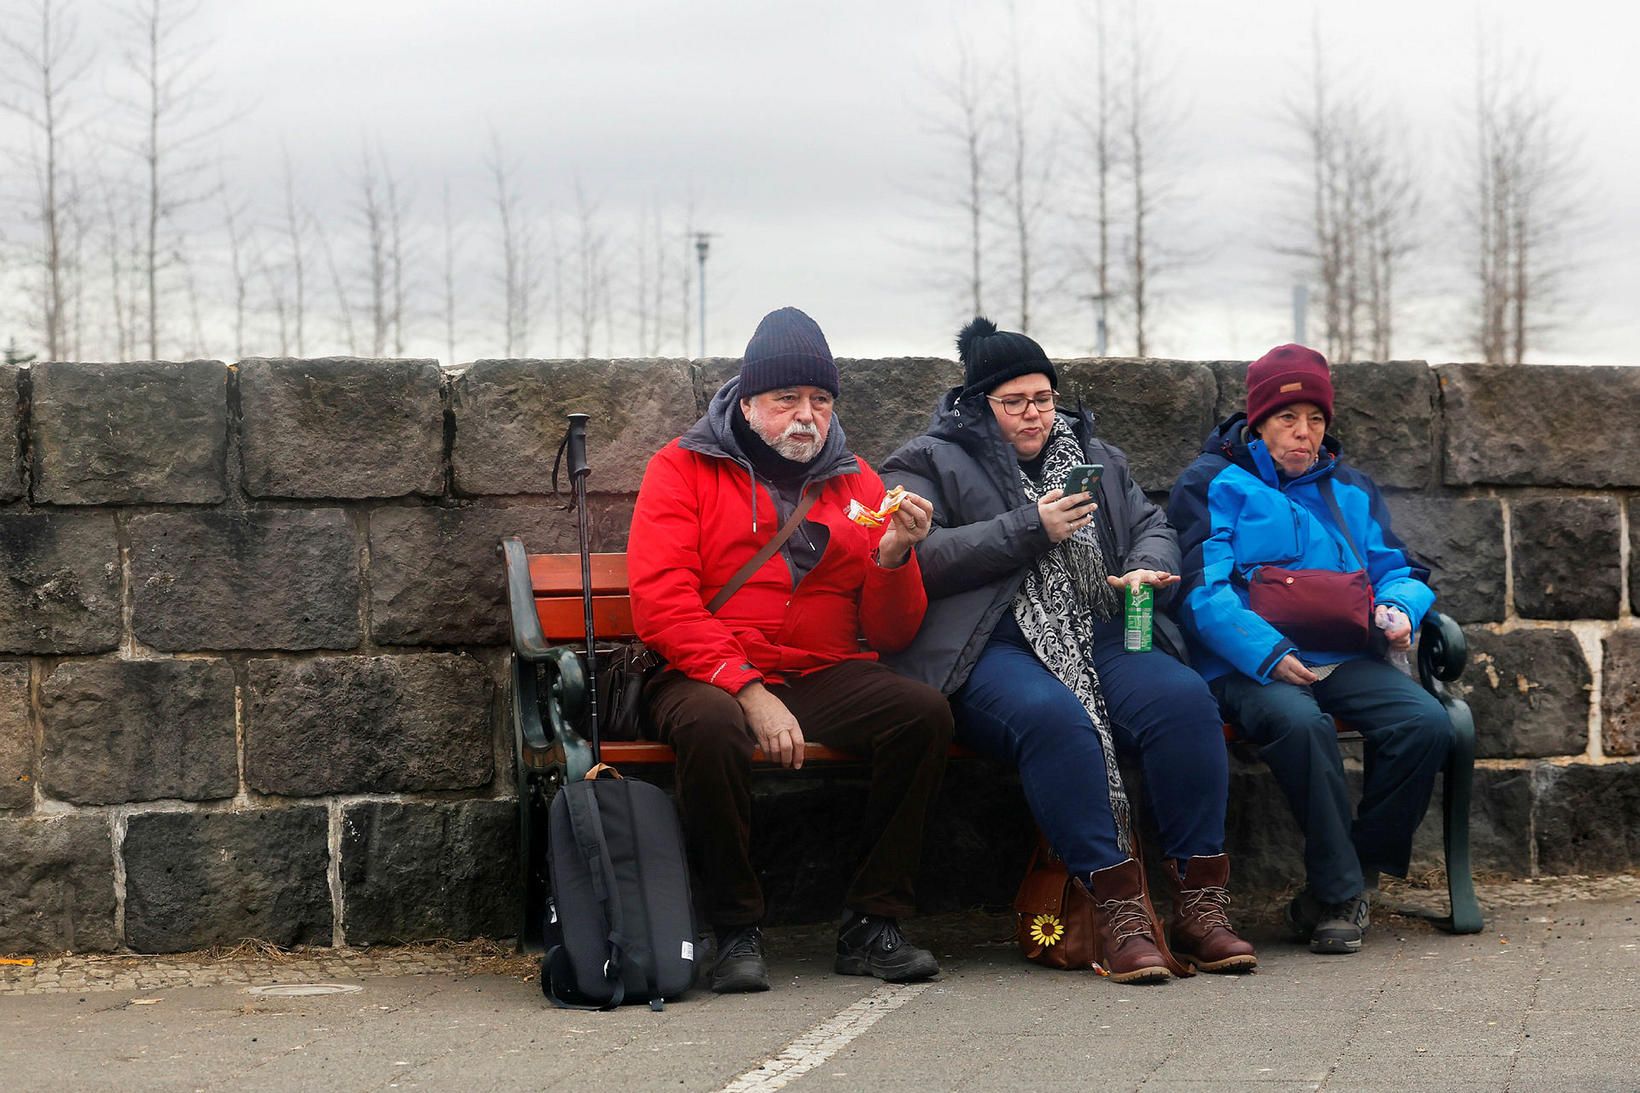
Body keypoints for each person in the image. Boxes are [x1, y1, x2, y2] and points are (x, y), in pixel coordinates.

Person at [880, 317, 1257, 983]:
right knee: (1059, 722)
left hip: (1100, 629)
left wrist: (1146, 564)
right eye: (1015, 401)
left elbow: (1152, 524)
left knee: (1183, 702)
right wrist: (1031, 525)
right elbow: (925, 559)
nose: (1035, 414)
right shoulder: (927, 461)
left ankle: (1200, 904)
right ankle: (1117, 911)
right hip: (994, 645)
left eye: (1044, 397)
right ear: (978, 402)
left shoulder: (1095, 455)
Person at [628, 306, 953, 994]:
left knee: (921, 713)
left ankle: (874, 921)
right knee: (714, 728)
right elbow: (661, 599)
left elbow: (893, 634)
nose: (807, 415)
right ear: (747, 403)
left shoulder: (859, 483)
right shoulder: (681, 467)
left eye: (821, 399)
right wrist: (747, 689)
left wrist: (895, 558)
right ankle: (733, 927)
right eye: (787, 399)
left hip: (817, 669)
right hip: (703, 670)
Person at [1166, 343, 1451, 955]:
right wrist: (1266, 654)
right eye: (1287, 420)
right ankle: (1339, 893)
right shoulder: (1213, 483)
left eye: (1315, 420)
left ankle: (1344, 881)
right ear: (1258, 422)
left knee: (1425, 723)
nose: (1304, 434)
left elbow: (1398, 568)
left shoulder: (1350, 487)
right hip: (1246, 664)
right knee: (1300, 723)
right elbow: (1201, 592)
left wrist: (1400, 609)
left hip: (1340, 653)